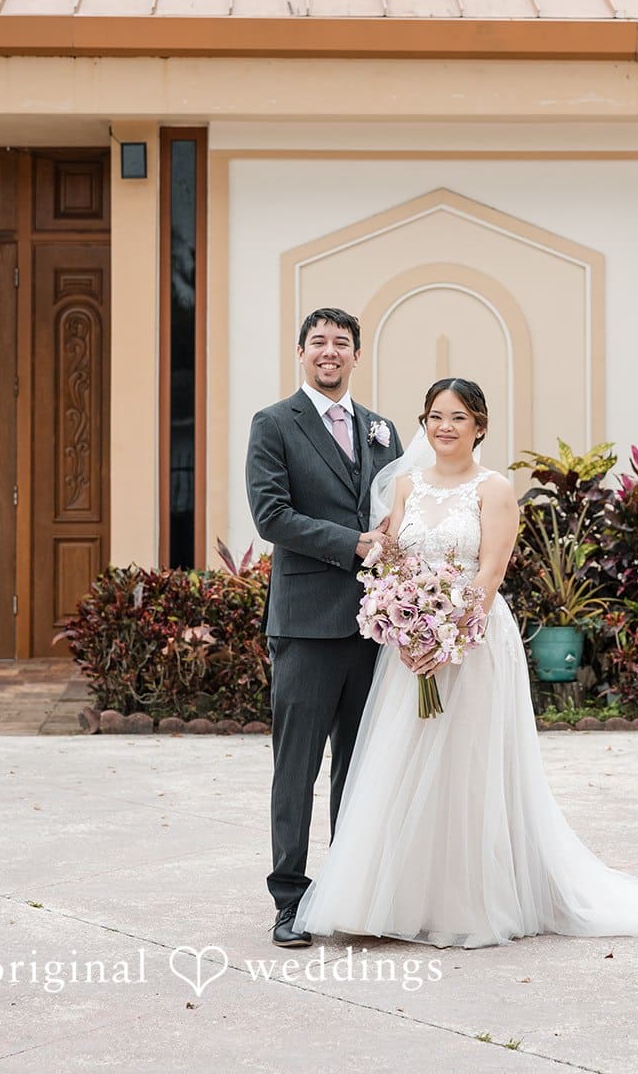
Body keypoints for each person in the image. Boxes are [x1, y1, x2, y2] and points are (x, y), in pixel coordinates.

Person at [294, 377, 638, 948]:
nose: (444, 427)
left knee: (468, 767)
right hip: (411, 650)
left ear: (479, 426)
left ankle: (466, 903)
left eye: (457, 417)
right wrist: (402, 625)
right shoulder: (405, 487)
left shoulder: (493, 489)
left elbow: (489, 573)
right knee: (404, 764)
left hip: (471, 643)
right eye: (434, 417)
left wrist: (443, 633)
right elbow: (394, 561)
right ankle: (399, 900)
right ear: (422, 424)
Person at [246, 307, 403, 947]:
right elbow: (271, 515)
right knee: (298, 766)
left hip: (373, 626)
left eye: (341, 343)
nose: (329, 352)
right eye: (318, 343)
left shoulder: (383, 429)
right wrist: (356, 545)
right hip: (308, 624)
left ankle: (347, 894)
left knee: (358, 767)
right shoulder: (274, 424)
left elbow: (397, 509)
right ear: (301, 352)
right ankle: (289, 898)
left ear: (357, 355)